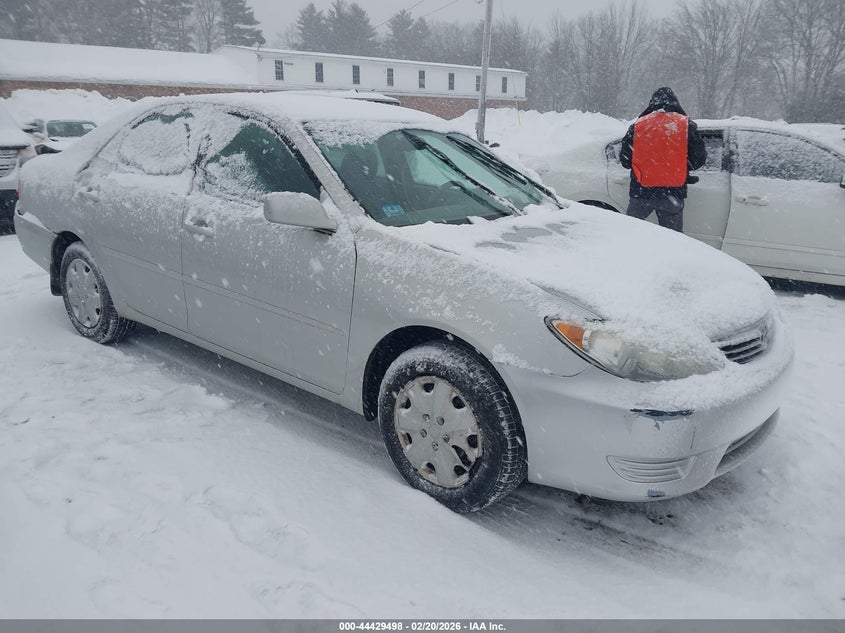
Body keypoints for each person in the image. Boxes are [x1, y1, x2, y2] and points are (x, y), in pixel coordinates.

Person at [619, 87, 706, 233]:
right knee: (673, 239)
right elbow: (699, 159)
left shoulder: (638, 126)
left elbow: (625, 160)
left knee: (630, 233)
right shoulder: (686, 126)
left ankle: (631, 254)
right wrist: (680, 167)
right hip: (672, 194)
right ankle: (668, 256)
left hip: (640, 193)